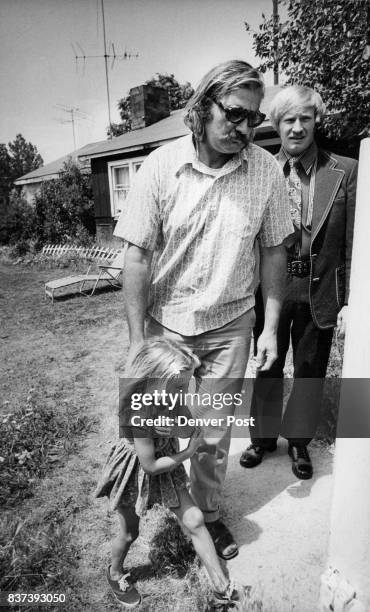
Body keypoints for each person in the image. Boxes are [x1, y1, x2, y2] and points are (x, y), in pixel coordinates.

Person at [114, 60, 294, 559]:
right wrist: (137, 342)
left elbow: (275, 250)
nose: (244, 128)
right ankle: (169, 507)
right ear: (202, 108)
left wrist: (272, 326)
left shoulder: (265, 170)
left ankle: (209, 518)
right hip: (166, 325)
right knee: (163, 427)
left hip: (231, 325)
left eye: (253, 118)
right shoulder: (159, 165)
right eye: (234, 114)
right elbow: (137, 256)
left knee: (213, 434)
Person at [240, 85, 357, 479]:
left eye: (304, 118)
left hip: (319, 287)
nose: (296, 128)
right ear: (277, 124)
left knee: (310, 367)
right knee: (267, 364)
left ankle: (300, 443)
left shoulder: (345, 171)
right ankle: (262, 438)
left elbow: (354, 240)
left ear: (316, 121)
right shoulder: (259, 173)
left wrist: (351, 299)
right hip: (270, 287)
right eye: (288, 119)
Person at [95, 338, 249, 610]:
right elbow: (150, 466)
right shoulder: (138, 412)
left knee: (195, 519)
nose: (184, 391)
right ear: (155, 380)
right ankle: (115, 573)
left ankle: (221, 589)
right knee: (129, 533)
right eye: (180, 385)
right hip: (136, 471)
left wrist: (184, 427)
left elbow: (191, 426)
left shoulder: (173, 396)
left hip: (167, 463)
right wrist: (187, 453)